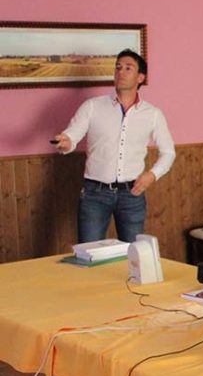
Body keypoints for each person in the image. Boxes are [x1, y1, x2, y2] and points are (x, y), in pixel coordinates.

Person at [54, 49, 175, 243]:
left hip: (132, 194)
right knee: (89, 253)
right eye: (118, 67)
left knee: (134, 256)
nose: (121, 72)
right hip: (94, 193)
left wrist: (151, 176)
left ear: (140, 77)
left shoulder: (153, 114)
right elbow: (71, 136)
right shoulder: (92, 106)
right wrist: (65, 142)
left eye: (128, 68)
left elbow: (168, 152)